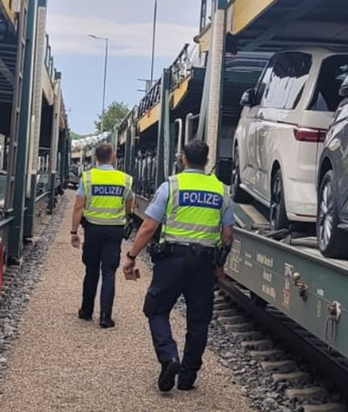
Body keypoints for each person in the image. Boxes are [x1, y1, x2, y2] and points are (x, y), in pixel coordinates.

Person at [121, 140, 234, 392]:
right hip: (204, 263)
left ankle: (169, 356)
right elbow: (227, 234)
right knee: (199, 320)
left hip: (172, 261)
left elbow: (149, 226)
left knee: (156, 310)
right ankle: (187, 376)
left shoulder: (171, 186)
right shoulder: (221, 190)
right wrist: (219, 264)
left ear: (183, 159)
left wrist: (131, 255)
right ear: (206, 161)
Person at [70, 142, 134, 328]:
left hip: (93, 230)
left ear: (96, 158)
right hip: (115, 230)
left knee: (91, 270)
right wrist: (126, 217)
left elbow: (78, 207)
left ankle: (86, 311)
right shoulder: (125, 179)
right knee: (109, 272)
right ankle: (106, 316)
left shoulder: (88, 178)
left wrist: (74, 232)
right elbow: (130, 204)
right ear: (113, 157)